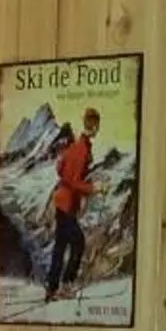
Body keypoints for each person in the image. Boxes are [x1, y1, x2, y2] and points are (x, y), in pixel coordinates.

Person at [44, 107, 100, 301]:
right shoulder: (82, 150)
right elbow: (74, 180)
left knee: (60, 246)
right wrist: (93, 188)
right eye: (96, 125)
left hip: (62, 202)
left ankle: (52, 288)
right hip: (67, 204)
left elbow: (61, 169)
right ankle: (67, 284)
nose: (97, 128)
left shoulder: (75, 146)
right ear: (93, 126)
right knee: (78, 242)